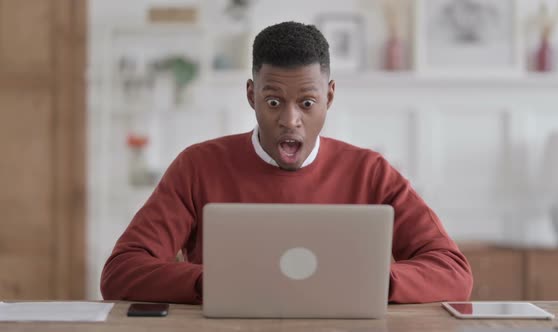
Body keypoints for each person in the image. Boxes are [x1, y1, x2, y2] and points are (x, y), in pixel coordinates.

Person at [101, 21, 472, 304]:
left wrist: (372, 280)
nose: (290, 120)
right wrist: (210, 282)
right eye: (274, 101)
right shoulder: (197, 166)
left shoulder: (370, 172)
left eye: (307, 103)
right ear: (251, 95)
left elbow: (453, 272)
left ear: (329, 97)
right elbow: (120, 272)